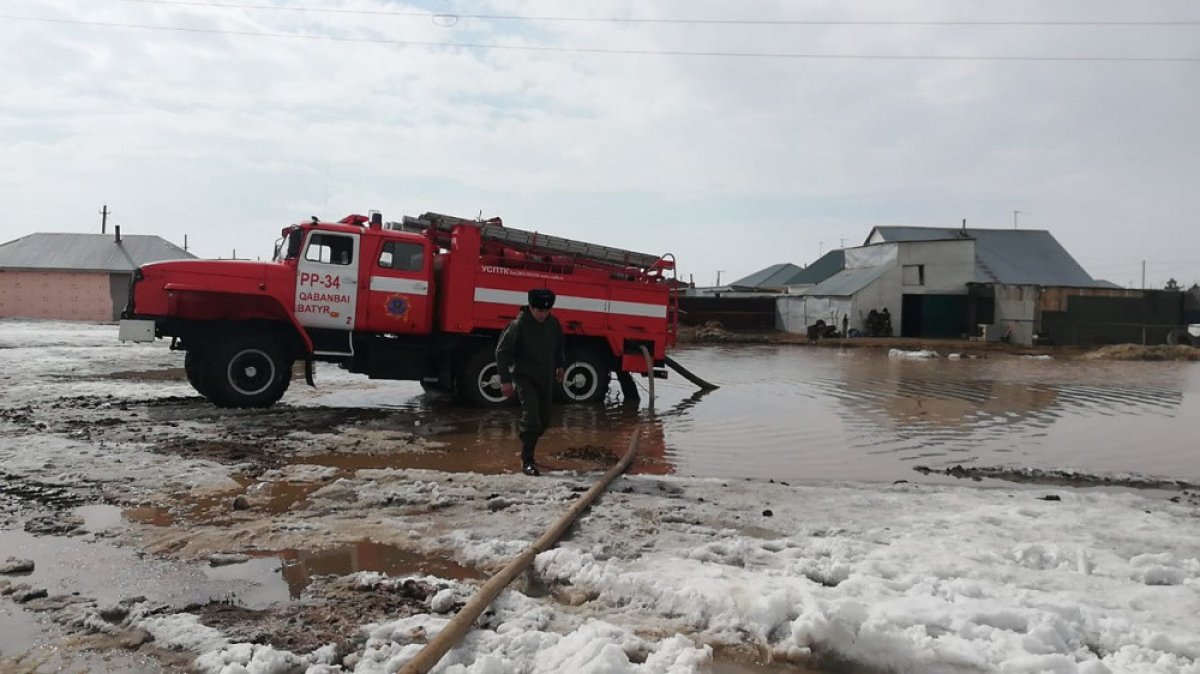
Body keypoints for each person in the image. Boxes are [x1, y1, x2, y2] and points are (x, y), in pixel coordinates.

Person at [496, 288, 565, 476]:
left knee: (544, 418)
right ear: (531, 308)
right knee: (531, 416)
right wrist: (505, 381)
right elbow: (502, 352)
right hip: (525, 377)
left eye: (546, 311)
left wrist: (560, 366)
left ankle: (528, 443)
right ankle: (527, 460)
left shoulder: (553, 324)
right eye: (538, 311)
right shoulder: (519, 324)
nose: (542, 314)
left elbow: (559, 346)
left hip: (545, 377)